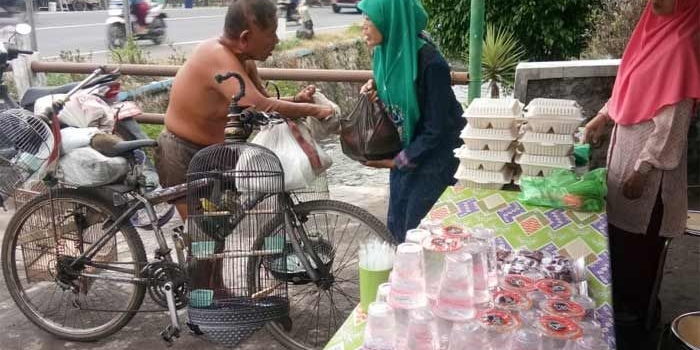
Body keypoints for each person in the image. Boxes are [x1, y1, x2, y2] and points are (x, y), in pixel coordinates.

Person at [584, 0, 699, 346]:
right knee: (620, 241)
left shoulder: (681, 45)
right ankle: (619, 309)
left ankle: (637, 321)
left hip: (649, 174)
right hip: (624, 156)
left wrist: (644, 168)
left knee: (640, 248)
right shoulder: (648, 33)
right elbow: (629, 86)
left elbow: (673, 123)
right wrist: (603, 116)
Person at [157, 0, 332, 220]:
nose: (276, 41)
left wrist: (297, 100)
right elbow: (260, 105)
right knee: (203, 238)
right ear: (245, 38)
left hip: (220, 154)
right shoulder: (216, 55)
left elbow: (262, 101)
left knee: (220, 229)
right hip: (184, 153)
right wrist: (315, 110)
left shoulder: (244, 60)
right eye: (272, 33)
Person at [356, 0, 466, 242]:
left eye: (369, 18)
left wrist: (397, 162)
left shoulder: (431, 63)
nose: (363, 25)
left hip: (436, 156)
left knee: (419, 232)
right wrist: (375, 89)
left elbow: (436, 129)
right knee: (396, 223)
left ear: (389, 20)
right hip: (407, 149)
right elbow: (395, 92)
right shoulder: (384, 54)